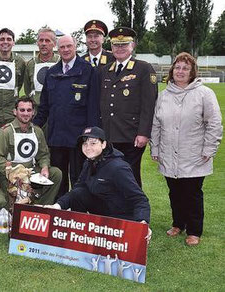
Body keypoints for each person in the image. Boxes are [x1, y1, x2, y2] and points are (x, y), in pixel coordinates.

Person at [150, 52, 222, 246]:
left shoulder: (204, 94)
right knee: (174, 191)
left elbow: (214, 123)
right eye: (177, 68)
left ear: (192, 72)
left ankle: (194, 230)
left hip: (195, 154)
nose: (180, 71)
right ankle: (178, 224)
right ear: (172, 71)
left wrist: (209, 148)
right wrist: (155, 147)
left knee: (192, 192)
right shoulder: (164, 95)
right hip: (168, 152)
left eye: (185, 68)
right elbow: (156, 124)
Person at [34, 35, 100, 198]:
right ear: (57, 48)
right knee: (58, 177)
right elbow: (44, 107)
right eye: (62, 47)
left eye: (69, 46)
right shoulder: (52, 72)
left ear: (75, 46)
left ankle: (78, 210)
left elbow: (93, 106)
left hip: (79, 137)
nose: (65, 50)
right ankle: (60, 208)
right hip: (56, 136)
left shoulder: (88, 70)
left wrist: (91, 135)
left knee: (79, 177)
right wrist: (33, 128)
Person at [48, 127, 151, 227]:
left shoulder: (118, 168)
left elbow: (139, 199)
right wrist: (57, 206)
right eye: (85, 143)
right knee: (78, 193)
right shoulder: (89, 162)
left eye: (93, 143)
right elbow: (78, 188)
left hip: (121, 216)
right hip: (103, 209)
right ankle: (80, 228)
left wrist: (143, 223)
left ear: (104, 144)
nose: (88, 148)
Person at [99, 27, 157, 188]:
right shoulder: (106, 70)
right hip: (109, 135)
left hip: (131, 136)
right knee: (110, 177)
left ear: (133, 46)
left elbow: (149, 104)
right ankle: (113, 213)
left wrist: (144, 133)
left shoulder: (143, 68)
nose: (119, 48)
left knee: (129, 177)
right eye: (116, 45)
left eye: (124, 44)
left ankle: (134, 212)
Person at [0, 97, 62, 205]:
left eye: (29, 110)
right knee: (10, 205)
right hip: (11, 174)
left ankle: (41, 205)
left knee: (56, 173)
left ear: (33, 112)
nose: (26, 113)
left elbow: (43, 154)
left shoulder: (37, 131)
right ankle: (20, 201)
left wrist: (44, 167)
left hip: (31, 171)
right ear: (15, 112)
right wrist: (14, 172)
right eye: (22, 110)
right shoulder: (5, 132)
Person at [23, 27, 60, 106]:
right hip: (37, 111)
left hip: (57, 109)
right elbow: (27, 89)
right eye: (41, 40)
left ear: (54, 43)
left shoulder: (61, 62)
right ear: (37, 43)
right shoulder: (31, 64)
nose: (43, 44)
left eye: (47, 41)